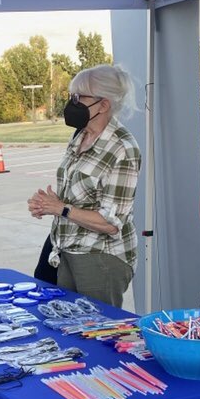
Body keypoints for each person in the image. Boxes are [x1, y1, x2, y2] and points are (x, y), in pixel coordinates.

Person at [27, 65, 141, 307]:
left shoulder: (122, 148)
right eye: (71, 96)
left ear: (104, 104)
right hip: (67, 250)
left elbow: (111, 223)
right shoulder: (80, 136)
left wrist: (61, 209)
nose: (72, 103)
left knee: (97, 332)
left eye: (80, 97)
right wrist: (47, 204)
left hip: (100, 257)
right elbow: (81, 194)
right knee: (67, 328)